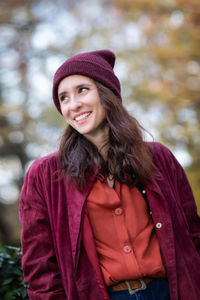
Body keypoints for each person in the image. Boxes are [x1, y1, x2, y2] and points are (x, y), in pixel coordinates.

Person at [19, 49, 200, 300]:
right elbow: (40, 268)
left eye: (83, 90)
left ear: (108, 93)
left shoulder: (159, 159)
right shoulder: (45, 176)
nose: (74, 104)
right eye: (64, 98)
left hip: (168, 291)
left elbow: (192, 236)